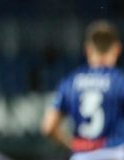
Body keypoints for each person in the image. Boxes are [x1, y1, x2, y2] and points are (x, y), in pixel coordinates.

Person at [41, 20, 124, 160]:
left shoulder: (70, 81)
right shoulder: (120, 81)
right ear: (117, 49)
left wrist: (72, 145)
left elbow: (48, 127)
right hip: (115, 153)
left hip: (82, 156)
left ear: (88, 49)